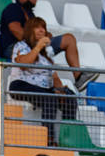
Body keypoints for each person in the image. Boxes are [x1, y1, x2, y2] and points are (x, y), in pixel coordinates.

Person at [0, 0, 97, 91]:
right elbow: (15, 29)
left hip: (34, 46)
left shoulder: (30, 13)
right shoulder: (13, 8)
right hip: (14, 47)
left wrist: (45, 36)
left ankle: (79, 78)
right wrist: (36, 44)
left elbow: (41, 31)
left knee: (69, 39)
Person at [9, 16, 78, 146]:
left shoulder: (46, 56)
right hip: (21, 85)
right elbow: (24, 64)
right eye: (37, 27)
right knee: (49, 97)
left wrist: (60, 90)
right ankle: (48, 138)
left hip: (43, 89)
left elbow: (55, 77)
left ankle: (68, 137)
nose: (41, 31)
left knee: (70, 97)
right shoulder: (21, 46)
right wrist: (38, 46)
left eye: (43, 28)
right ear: (30, 30)